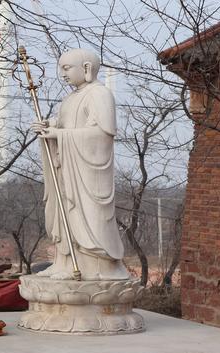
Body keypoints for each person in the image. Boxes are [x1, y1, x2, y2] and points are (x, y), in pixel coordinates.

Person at [30, 49, 129, 281]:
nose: (61, 74)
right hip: (67, 168)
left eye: (66, 68)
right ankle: (64, 262)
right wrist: (49, 126)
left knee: (90, 217)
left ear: (86, 68)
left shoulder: (100, 94)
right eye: (60, 69)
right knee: (65, 213)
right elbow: (66, 124)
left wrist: (60, 135)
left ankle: (99, 268)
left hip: (88, 175)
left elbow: (101, 135)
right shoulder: (70, 98)